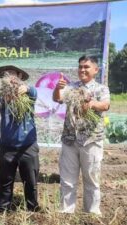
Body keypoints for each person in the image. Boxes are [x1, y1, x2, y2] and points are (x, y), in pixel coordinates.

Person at [53, 55, 110, 215]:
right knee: (67, 180)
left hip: (91, 140)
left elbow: (105, 105)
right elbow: (57, 99)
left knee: (91, 179)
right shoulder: (71, 87)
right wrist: (58, 88)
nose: (82, 70)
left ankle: (91, 214)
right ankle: (66, 212)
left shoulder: (101, 88)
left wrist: (90, 103)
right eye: (80, 67)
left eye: (86, 67)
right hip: (70, 140)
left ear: (95, 70)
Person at [0, 65, 40, 212]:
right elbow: (1, 101)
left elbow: (34, 93)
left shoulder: (28, 93)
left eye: (12, 74)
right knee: (5, 181)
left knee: (30, 181)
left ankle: (32, 208)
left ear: (19, 76)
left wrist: (26, 89)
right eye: (5, 75)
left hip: (28, 145)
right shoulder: (0, 95)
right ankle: (2, 208)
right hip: (7, 146)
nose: (9, 77)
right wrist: (9, 93)